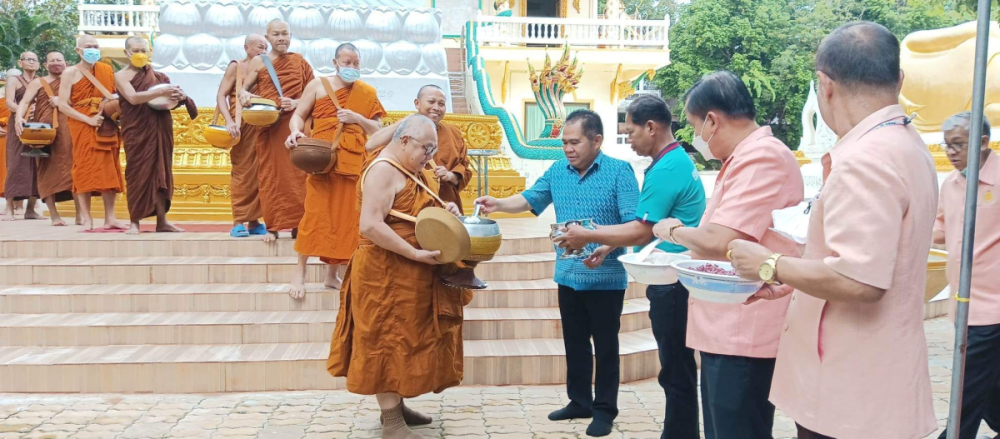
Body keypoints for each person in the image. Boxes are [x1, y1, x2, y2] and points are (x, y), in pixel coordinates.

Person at [727, 22, 938, 439]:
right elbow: (876, 259)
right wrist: (796, 280)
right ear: (898, 78)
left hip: (851, 389)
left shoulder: (866, 159)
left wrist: (771, 264)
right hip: (877, 376)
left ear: (825, 86)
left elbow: (860, 279)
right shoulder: (907, 144)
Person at [651, 71, 804, 439]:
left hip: (746, 324)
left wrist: (670, 229)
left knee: (737, 428)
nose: (697, 138)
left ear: (712, 121)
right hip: (727, 322)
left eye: (694, 126)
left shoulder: (761, 157)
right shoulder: (741, 159)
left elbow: (721, 239)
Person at [475, 109, 639, 437]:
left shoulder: (620, 171)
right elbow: (530, 198)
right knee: (574, 342)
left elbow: (632, 224)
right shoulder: (557, 171)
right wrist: (499, 204)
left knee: (606, 346)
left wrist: (604, 246)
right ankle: (579, 401)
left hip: (606, 278)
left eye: (574, 141)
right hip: (567, 273)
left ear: (596, 140)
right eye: (564, 142)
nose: (568, 148)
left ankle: (605, 410)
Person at [553, 95, 704, 439]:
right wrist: (604, 244)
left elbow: (640, 228)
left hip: (672, 277)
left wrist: (588, 235)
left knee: (675, 370)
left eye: (631, 130)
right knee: (675, 369)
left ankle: (677, 433)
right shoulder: (671, 163)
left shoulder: (662, 169)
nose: (629, 138)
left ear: (651, 127)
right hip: (666, 274)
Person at [327, 115, 467, 439]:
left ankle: (398, 407)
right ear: (404, 141)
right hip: (383, 274)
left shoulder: (410, 168)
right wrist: (416, 254)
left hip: (409, 273)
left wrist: (445, 210)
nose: (429, 157)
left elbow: (414, 210)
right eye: (426, 149)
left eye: (433, 150)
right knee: (385, 341)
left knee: (406, 339)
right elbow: (371, 225)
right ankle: (391, 422)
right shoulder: (382, 171)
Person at [286, 43, 385, 299]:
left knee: (347, 219)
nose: (351, 67)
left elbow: (379, 130)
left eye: (356, 63)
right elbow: (298, 114)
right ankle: (300, 272)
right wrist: (295, 132)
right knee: (315, 215)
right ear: (335, 62)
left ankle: (332, 276)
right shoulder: (318, 85)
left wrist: (357, 119)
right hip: (321, 159)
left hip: (353, 162)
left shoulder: (367, 92)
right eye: (347, 62)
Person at [933, 112, 1000, 439]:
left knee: (966, 391)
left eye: (958, 144)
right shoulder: (952, 183)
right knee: (988, 387)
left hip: (993, 307)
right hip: (964, 304)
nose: (951, 152)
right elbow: (942, 229)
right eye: (947, 145)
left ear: (983, 142)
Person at [240, 19, 314, 242]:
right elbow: (243, 91)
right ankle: (272, 226)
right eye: (276, 34)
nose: (281, 38)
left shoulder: (300, 62)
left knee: (299, 176)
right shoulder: (258, 62)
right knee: (270, 175)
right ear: (268, 37)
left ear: (290, 36)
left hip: (295, 126)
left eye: (285, 34)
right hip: (269, 126)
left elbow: (315, 95)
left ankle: (299, 224)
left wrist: (296, 103)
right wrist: (246, 96)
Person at [115, 36, 196, 235]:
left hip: (160, 128)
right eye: (135, 50)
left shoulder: (158, 77)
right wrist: (159, 92)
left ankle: (162, 220)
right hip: (137, 130)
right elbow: (133, 98)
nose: (140, 54)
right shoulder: (120, 76)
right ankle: (134, 221)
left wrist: (180, 97)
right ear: (127, 53)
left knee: (162, 174)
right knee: (137, 174)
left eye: (143, 50)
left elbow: (169, 101)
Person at [366, 85, 472, 213]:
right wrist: (406, 120)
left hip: (445, 205)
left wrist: (450, 176)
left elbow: (464, 170)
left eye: (441, 104)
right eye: (431, 102)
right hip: (410, 202)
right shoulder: (406, 129)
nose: (436, 108)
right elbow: (370, 145)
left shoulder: (453, 133)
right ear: (417, 103)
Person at [58, 34, 126, 231]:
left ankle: (110, 217)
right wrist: (88, 119)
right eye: (89, 46)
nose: (93, 49)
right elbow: (63, 105)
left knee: (109, 169)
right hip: (82, 125)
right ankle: (87, 218)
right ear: (78, 50)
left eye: (96, 46)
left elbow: (115, 96)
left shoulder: (106, 69)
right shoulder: (70, 73)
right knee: (83, 170)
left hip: (105, 123)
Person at [14, 51, 80, 226]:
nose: (56, 63)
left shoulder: (74, 81)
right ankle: (54, 216)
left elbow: (82, 101)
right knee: (46, 172)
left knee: (75, 169)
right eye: (52, 61)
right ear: (45, 65)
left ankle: (81, 214)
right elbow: (25, 102)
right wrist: (19, 117)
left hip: (70, 130)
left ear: (66, 63)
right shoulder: (38, 82)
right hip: (44, 133)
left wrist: (63, 100)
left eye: (59, 60)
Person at [216, 34, 268, 238]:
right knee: (243, 172)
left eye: (265, 48)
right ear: (247, 48)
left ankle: (255, 221)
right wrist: (229, 120)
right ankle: (238, 221)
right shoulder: (237, 67)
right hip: (241, 126)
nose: (263, 52)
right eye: (259, 48)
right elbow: (221, 95)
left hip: (263, 125)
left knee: (261, 173)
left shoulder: (268, 67)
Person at [4, 52, 41, 221]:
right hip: (18, 124)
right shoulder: (14, 80)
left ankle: (31, 209)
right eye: (28, 59)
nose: (32, 62)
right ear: (20, 62)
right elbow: (9, 102)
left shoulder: (41, 81)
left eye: (35, 60)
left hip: (38, 125)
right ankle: (9, 209)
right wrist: (23, 110)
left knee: (37, 164)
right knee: (15, 163)